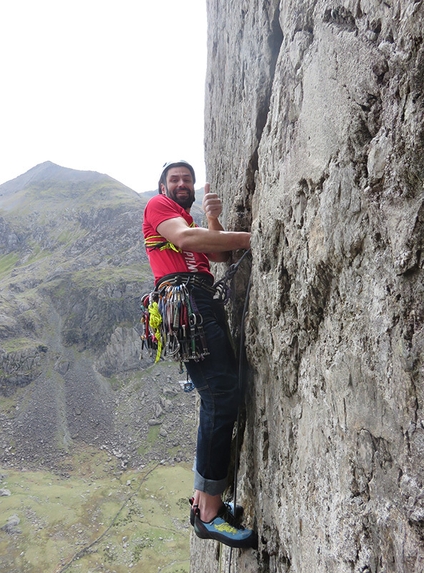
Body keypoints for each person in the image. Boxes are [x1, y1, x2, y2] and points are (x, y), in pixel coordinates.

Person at [142, 160, 257, 549]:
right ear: (163, 186)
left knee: (223, 392)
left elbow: (220, 254)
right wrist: (250, 237)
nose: (181, 183)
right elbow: (189, 242)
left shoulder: (188, 219)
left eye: (187, 179)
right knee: (220, 394)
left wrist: (213, 219)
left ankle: (204, 499)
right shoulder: (160, 210)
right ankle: (208, 511)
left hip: (201, 302)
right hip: (186, 301)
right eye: (174, 179)